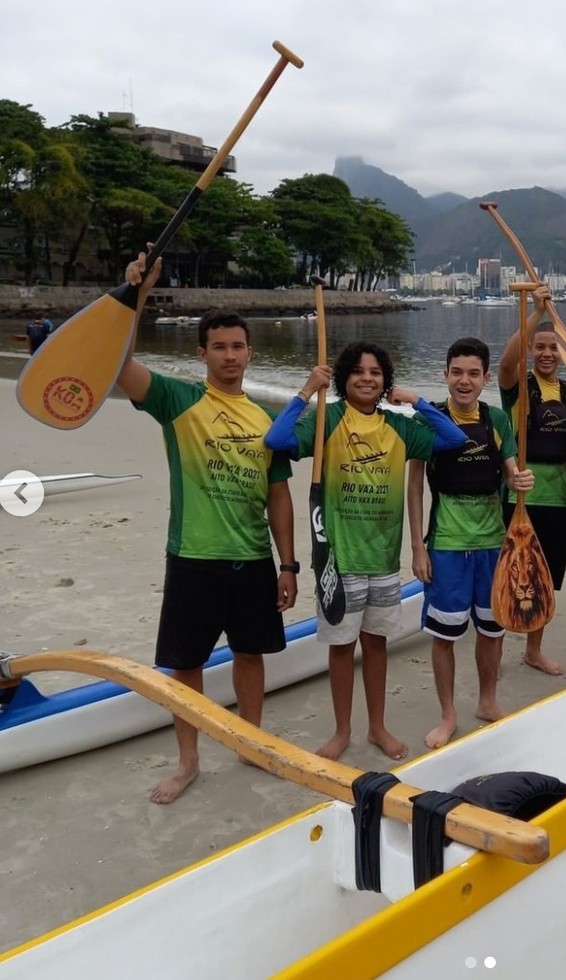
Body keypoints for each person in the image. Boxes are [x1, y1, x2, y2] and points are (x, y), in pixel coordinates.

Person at [121, 252, 298, 805]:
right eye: (218, 346)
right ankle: (189, 762)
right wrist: (137, 294)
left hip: (252, 559)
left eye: (237, 346)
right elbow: (116, 363)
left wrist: (288, 564)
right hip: (194, 555)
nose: (229, 355)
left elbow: (277, 494)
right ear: (202, 353)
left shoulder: (267, 420)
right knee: (187, 664)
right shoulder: (180, 401)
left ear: (250, 352)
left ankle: (249, 742)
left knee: (251, 655)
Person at [264, 343, 466, 762]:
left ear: (385, 380)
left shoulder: (399, 426)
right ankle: (342, 731)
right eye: (357, 371)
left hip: (383, 560)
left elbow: (454, 438)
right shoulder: (328, 419)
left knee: (375, 645)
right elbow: (277, 439)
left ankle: (377, 727)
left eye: (375, 372)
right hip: (337, 559)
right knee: (341, 647)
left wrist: (415, 401)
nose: (367, 378)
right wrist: (306, 390)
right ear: (342, 379)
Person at [407, 337, 535, 749]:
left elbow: (514, 474)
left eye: (474, 374)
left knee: (492, 630)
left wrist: (521, 482)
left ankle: (487, 701)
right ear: (445, 375)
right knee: (444, 635)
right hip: (446, 543)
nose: (465, 381)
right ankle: (448, 715)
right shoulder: (429, 421)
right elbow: (414, 488)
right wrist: (417, 547)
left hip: (494, 544)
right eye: (457, 372)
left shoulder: (497, 420)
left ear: (484, 379)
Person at [497, 283, 566, 676]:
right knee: (509, 572)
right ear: (532, 351)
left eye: (554, 348)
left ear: (563, 354)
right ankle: (496, 645)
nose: (548, 354)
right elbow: (504, 364)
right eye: (540, 347)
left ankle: (534, 649)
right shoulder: (519, 386)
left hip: (558, 499)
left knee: (547, 576)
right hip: (520, 498)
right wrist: (535, 313)